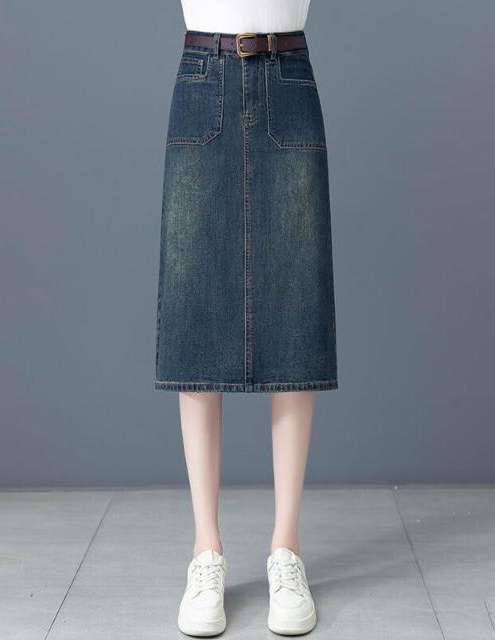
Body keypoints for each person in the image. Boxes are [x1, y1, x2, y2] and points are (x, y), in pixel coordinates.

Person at [155, 1, 337, 635]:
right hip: (202, 76)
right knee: (195, 314)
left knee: (295, 312)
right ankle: (205, 550)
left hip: (288, 77)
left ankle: (286, 548)